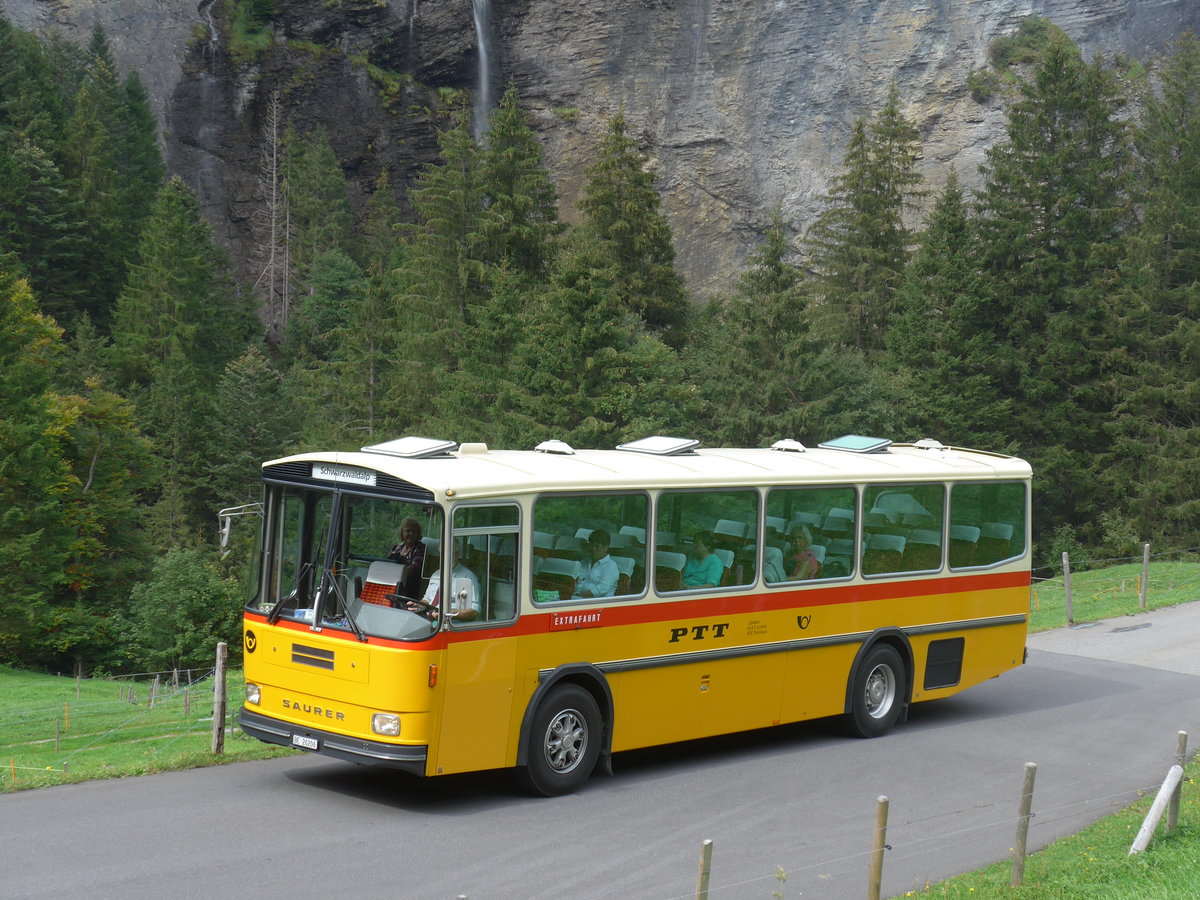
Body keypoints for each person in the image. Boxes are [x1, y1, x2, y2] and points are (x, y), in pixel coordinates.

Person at [419, 543, 482, 621]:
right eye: (442, 554)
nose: (445, 557)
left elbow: (474, 611)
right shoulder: (436, 575)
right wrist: (418, 605)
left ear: (457, 554)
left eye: (449, 553)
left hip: (452, 623)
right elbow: (427, 599)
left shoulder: (466, 577)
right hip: (430, 618)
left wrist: (449, 613)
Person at [386, 517, 425, 599]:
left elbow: (414, 570)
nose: (411, 534)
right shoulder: (396, 548)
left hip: (408, 590)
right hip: (390, 584)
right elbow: (386, 565)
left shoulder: (420, 548)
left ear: (418, 533)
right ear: (402, 532)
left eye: (414, 531)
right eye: (408, 530)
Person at [574, 529, 618, 598]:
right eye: (592, 546)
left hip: (596, 604)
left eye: (597, 547)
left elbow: (599, 591)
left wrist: (577, 597)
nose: (593, 549)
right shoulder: (583, 562)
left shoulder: (611, 566)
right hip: (575, 599)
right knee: (552, 597)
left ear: (606, 548)